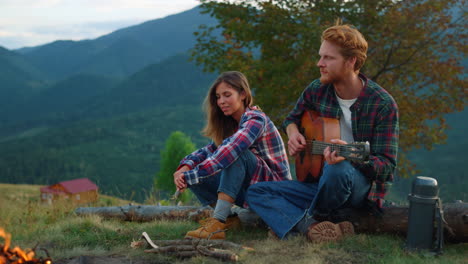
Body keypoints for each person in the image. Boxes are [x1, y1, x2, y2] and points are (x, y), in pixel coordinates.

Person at [247, 23, 399, 243]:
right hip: (318, 185)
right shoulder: (317, 89)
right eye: (321, 56)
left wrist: (349, 155)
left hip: (357, 189)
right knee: (256, 192)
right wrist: (293, 134)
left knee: (337, 168)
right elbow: (291, 119)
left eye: (328, 58)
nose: (320, 63)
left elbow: (387, 167)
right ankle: (315, 226)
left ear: (351, 61)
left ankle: (297, 221)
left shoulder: (382, 104)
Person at [173, 71, 292, 240]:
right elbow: (207, 151)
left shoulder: (255, 120)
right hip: (253, 190)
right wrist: (184, 168)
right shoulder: (233, 125)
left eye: (227, 95)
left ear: (243, 94)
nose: (221, 101)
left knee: (235, 155)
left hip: (275, 194)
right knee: (200, 171)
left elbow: (230, 151)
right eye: (218, 97)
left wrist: (192, 175)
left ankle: (217, 222)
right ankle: (229, 219)